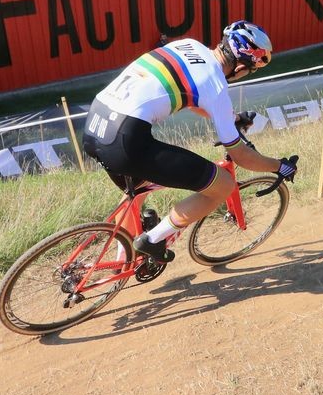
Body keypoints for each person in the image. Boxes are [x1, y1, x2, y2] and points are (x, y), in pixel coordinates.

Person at [82, 21, 298, 263]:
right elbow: (242, 157)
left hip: (95, 126)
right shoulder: (216, 86)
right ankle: (152, 241)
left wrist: (233, 118)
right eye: (251, 70)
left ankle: (122, 257)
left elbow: (193, 97)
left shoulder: (188, 45)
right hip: (124, 141)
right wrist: (279, 166)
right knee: (223, 184)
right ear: (240, 67)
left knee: (138, 188)